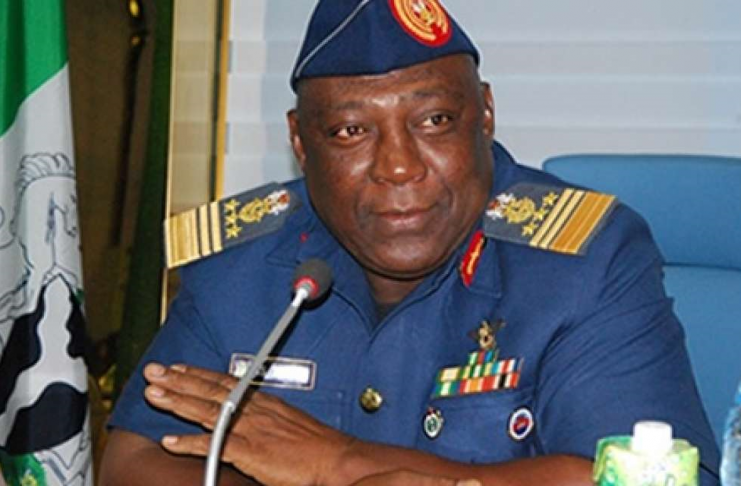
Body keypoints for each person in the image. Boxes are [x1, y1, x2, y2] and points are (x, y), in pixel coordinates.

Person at [100, 1, 720, 484]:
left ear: (485, 114)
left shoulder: (583, 260)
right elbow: (135, 461)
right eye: (350, 131)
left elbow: (640, 478)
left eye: (434, 121)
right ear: (300, 142)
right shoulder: (242, 262)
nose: (398, 166)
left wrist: (337, 464)